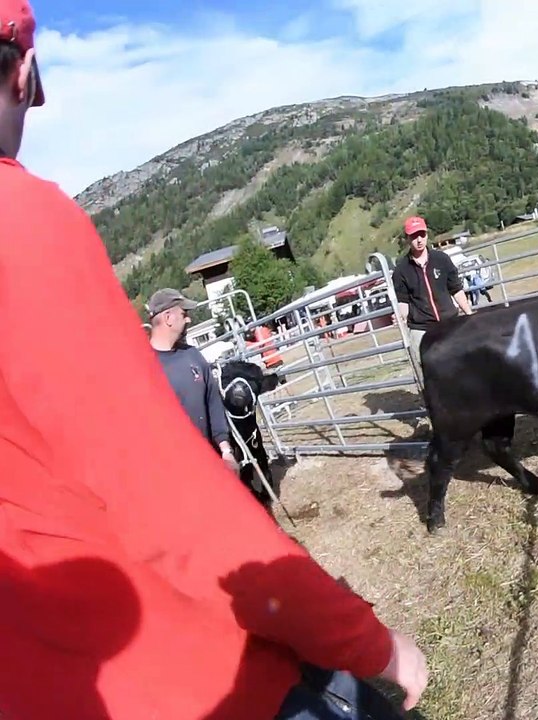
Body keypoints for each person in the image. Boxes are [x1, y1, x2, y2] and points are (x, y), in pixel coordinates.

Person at [0, 2, 431, 718]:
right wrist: (366, 639)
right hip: (163, 682)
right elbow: (164, 501)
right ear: (23, 75)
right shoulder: (20, 227)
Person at [145, 287, 240, 475]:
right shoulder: (144, 366)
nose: (188, 319)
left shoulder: (193, 355)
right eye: (184, 313)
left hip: (211, 461)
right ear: (168, 318)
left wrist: (226, 450)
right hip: (174, 471)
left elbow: (213, 402)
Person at [391, 215, 474, 394]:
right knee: (422, 365)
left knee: (462, 359)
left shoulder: (442, 259)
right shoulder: (401, 270)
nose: (419, 239)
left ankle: (465, 397)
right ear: (407, 239)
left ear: (427, 235)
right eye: (414, 236)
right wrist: (400, 316)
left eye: (422, 234)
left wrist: (469, 313)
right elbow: (403, 301)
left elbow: (456, 289)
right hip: (421, 327)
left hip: (449, 321)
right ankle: (432, 403)